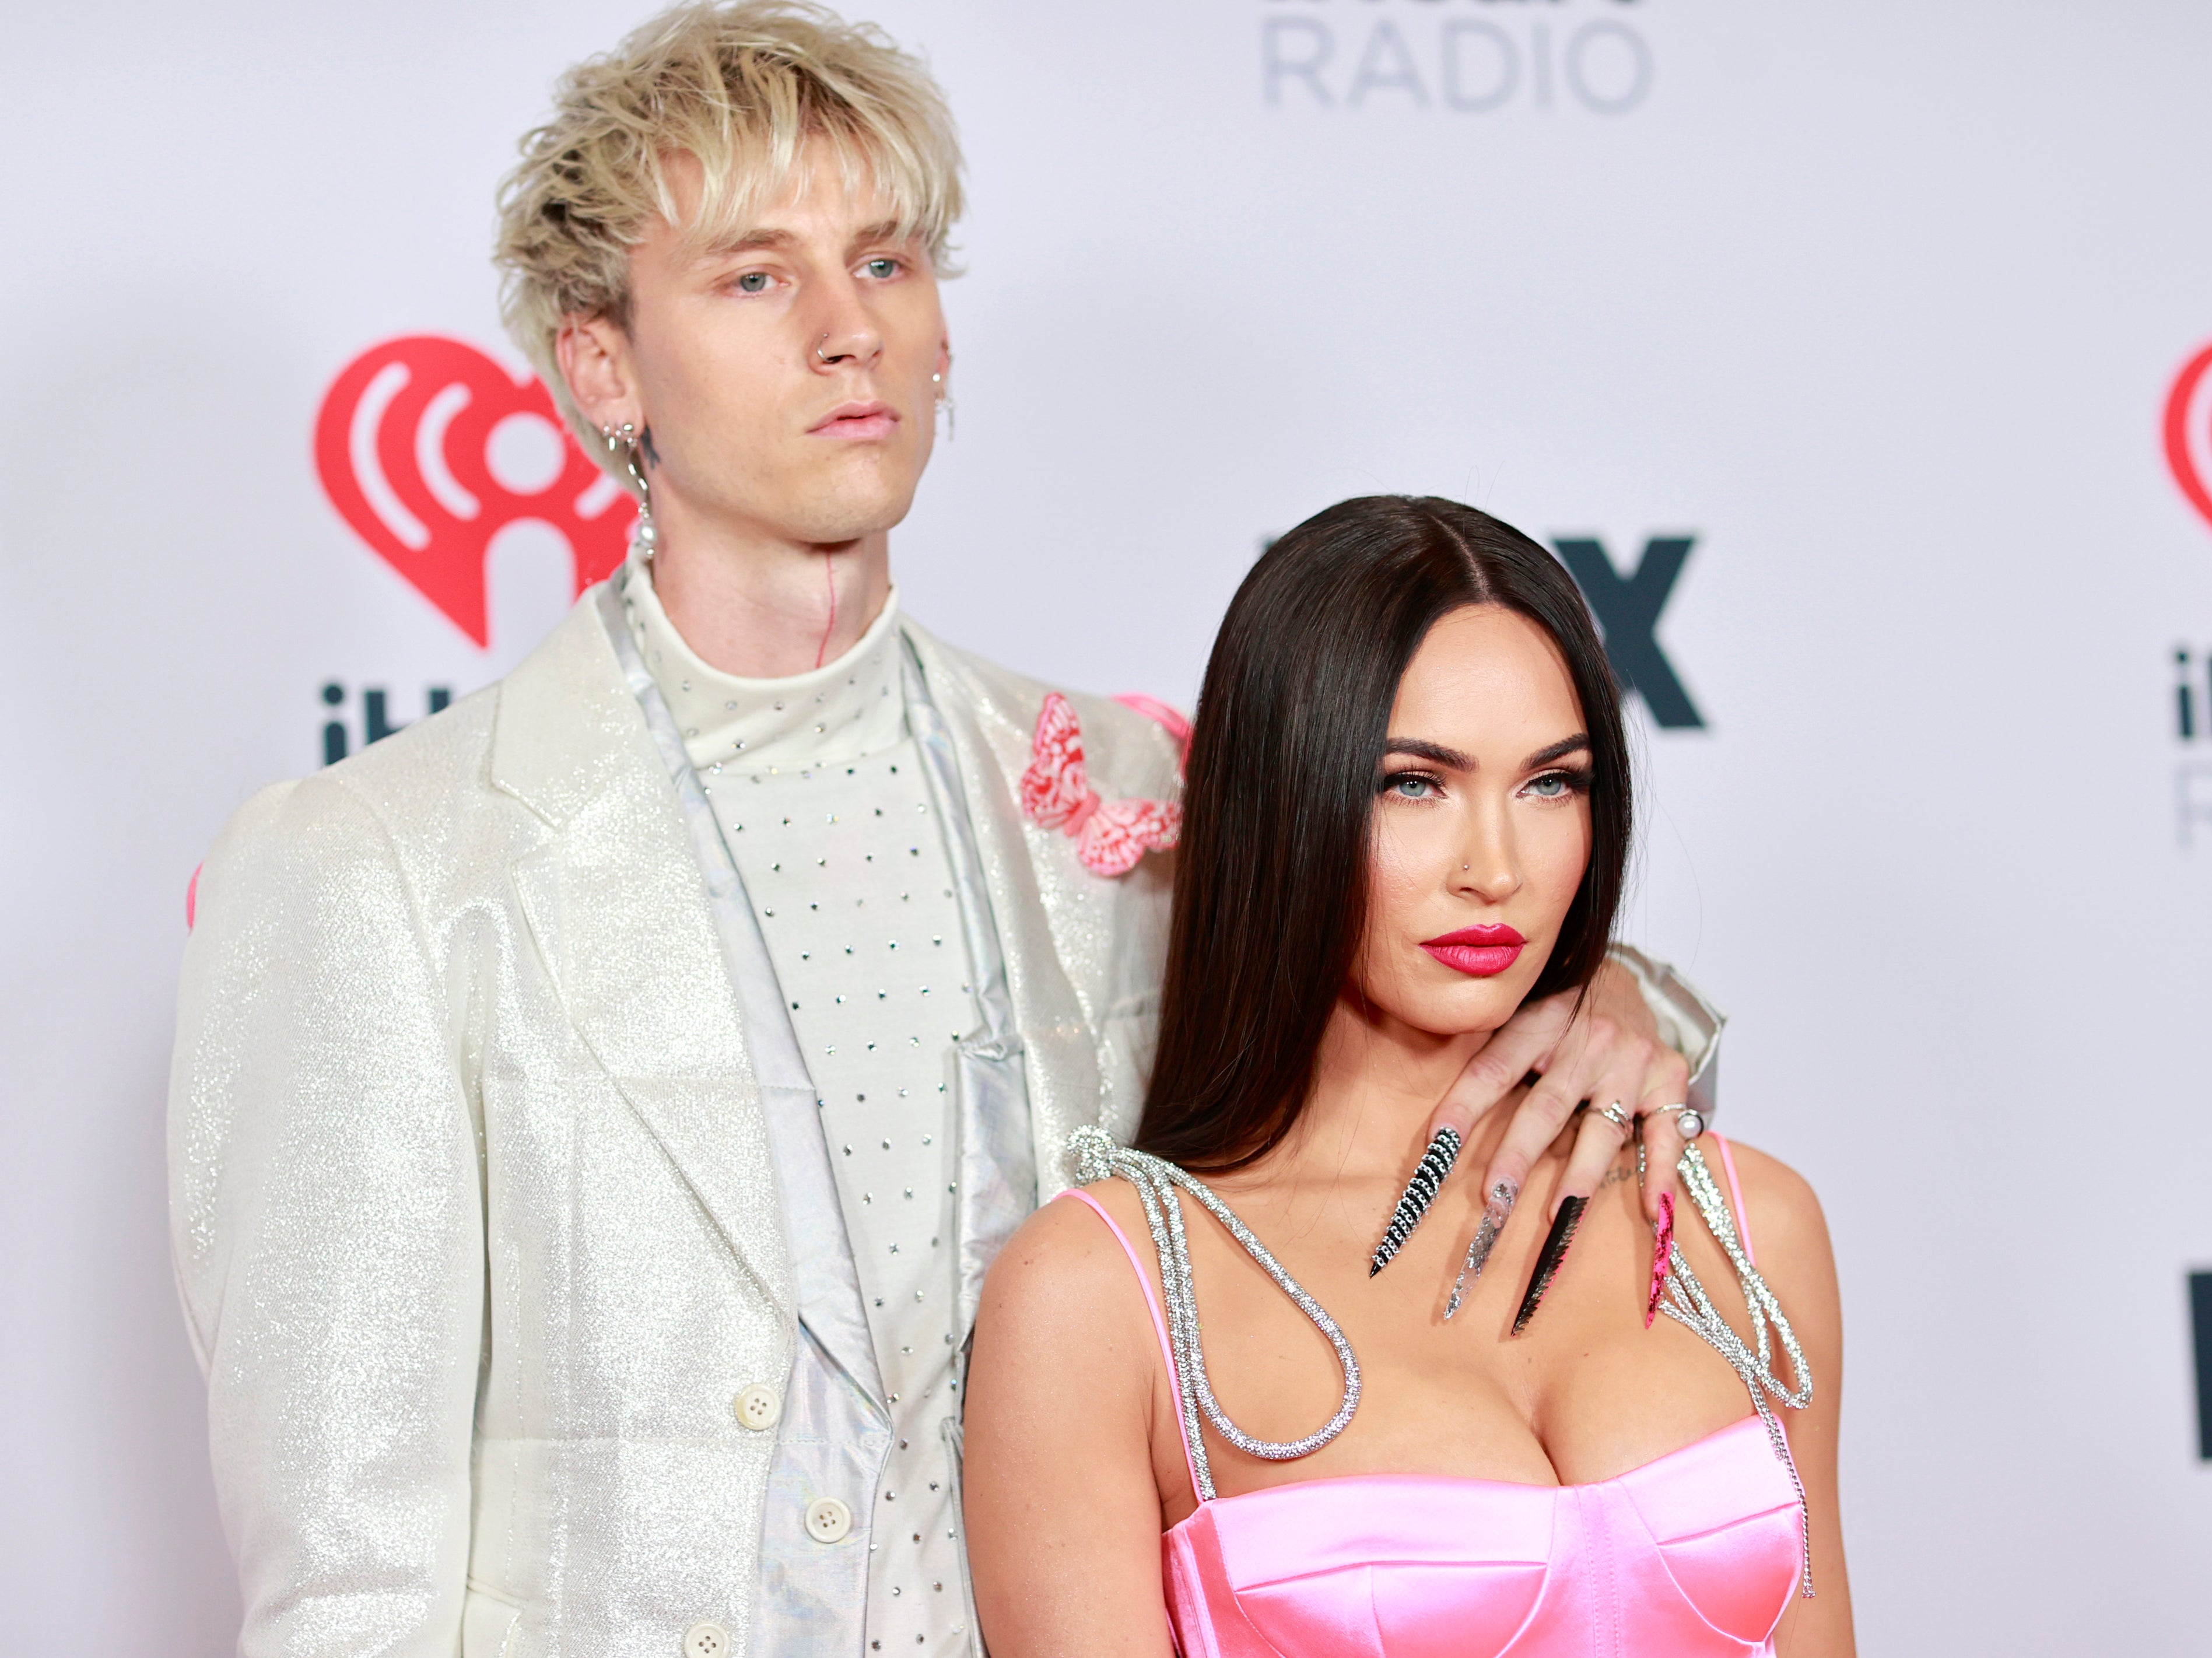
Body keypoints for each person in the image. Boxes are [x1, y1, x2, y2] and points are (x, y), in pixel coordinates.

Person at [166, 9, 1723, 1657]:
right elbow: (348, 1587)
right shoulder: (381, 866)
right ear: (600, 363)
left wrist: (1613, 1000)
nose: (849, 333)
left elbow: (1427, 1038)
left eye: (890, 263)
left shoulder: (1126, 793)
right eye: (756, 276)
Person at [963, 496, 1852, 1657]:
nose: (1496, 868)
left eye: (1551, 784)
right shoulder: (1101, 1293)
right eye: (1412, 784)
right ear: (1284, 801)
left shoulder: (1747, 1225)